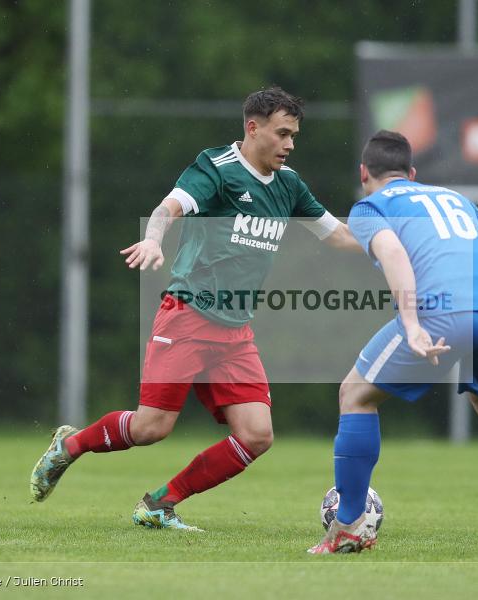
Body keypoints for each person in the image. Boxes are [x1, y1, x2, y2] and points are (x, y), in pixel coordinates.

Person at [31, 87, 360, 530]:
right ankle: (69, 447)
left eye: (294, 136)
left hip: (235, 331)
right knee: (152, 428)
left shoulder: (289, 185)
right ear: (253, 127)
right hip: (188, 315)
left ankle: (159, 503)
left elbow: (336, 235)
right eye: (282, 134)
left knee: (257, 435)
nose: (289, 144)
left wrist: (392, 244)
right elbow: (171, 206)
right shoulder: (217, 168)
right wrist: (153, 237)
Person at [308, 130, 478, 554]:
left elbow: (394, 254)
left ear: (365, 173)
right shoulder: (454, 199)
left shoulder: (370, 206)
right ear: (412, 174)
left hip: (441, 311)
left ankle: (348, 524)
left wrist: (412, 323)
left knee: (355, 394)